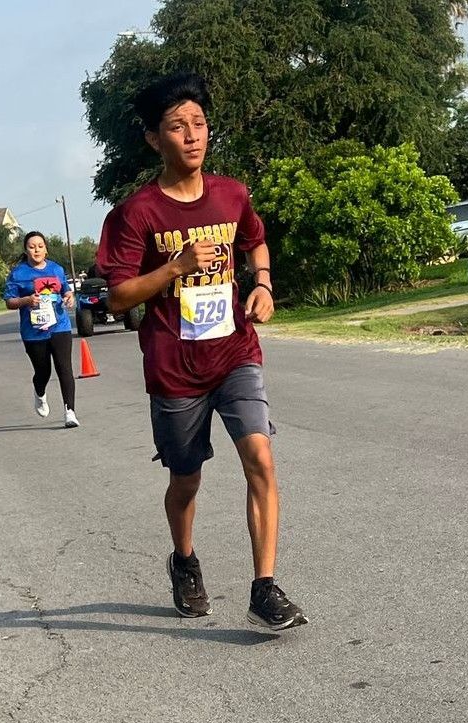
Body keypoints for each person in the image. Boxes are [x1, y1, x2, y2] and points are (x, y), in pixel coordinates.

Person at [96, 73, 307, 630]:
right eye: (176, 127)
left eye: (199, 124)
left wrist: (261, 283)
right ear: (153, 140)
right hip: (173, 366)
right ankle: (184, 561)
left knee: (259, 457)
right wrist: (175, 267)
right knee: (185, 479)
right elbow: (118, 296)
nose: (192, 136)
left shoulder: (231, 194)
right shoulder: (135, 213)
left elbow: (254, 239)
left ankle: (264, 586)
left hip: (235, 350)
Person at [3, 231, 80, 428]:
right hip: (33, 331)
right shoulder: (18, 274)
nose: (36, 250)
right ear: (25, 250)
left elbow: (65, 290)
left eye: (40, 246)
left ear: (46, 249)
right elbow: (10, 302)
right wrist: (27, 300)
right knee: (43, 371)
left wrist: (69, 297)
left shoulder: (56, 269)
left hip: (59, 326)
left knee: (64, 368)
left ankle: (69, 411)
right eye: (31, 246)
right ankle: (39, 392)